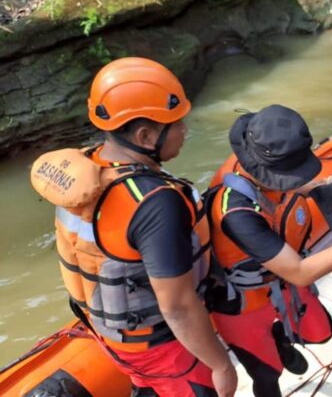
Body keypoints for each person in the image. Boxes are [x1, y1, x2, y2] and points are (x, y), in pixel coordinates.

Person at [29, 58, 237, 396]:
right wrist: (221, 365)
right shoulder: (156, 203)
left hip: (114, 339)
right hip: (163, 352)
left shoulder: (87, 169)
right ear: (144, 135)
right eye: (177, 123)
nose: (185, 131)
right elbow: (178, 307)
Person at [207, 105, 332, 396]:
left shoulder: (256, 155)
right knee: (267, 374)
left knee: (323, 332)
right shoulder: (237, 214)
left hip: (276, 283)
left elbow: (275, 189)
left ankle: (281, 337)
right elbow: (299, 272)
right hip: (242, 303)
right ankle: (274, 354)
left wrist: (317, 186)